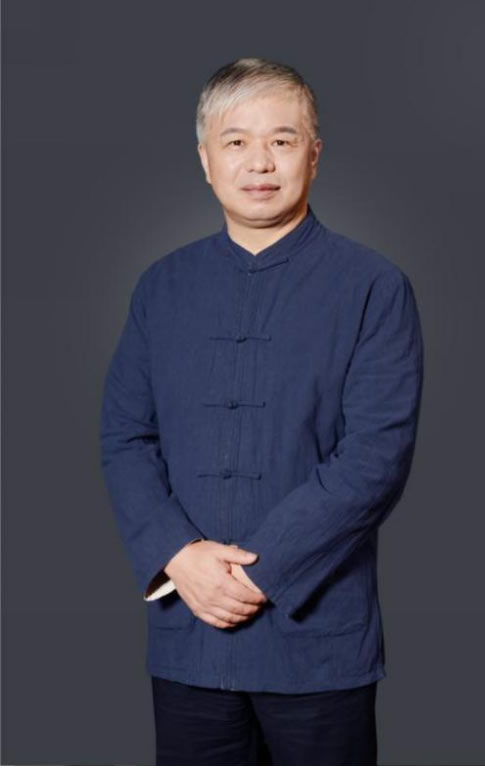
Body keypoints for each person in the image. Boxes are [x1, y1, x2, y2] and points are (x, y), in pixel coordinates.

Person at [99, 56, 424, 765]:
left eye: (282, 140)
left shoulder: (373, 287)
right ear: (205, 160)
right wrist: (179, 557)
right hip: (188, 639)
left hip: (319, 645)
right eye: (236, 141)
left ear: (314, 152)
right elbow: (125, 437)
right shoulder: (162, 286)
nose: (260, 163)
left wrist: (256, 573)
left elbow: (375, 457)